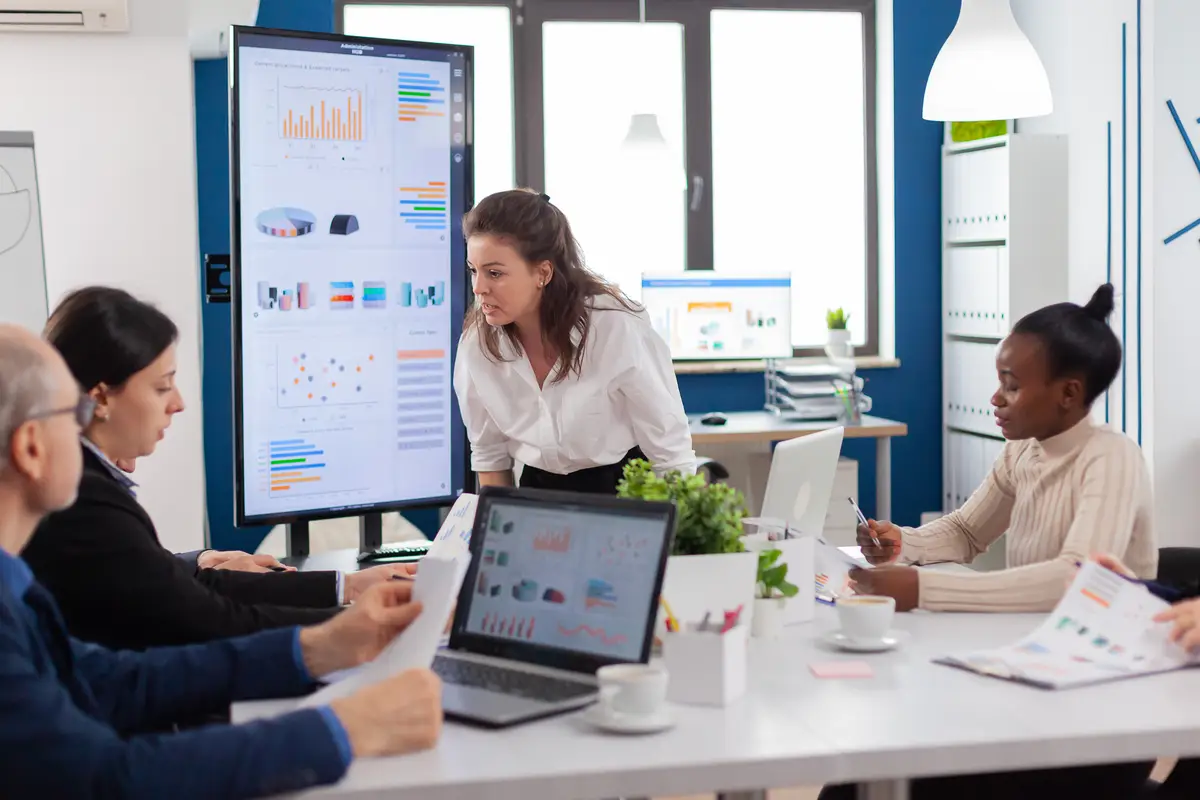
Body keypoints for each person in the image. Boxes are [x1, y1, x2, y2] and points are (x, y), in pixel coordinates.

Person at [0, 323, 443, 798]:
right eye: (76, 412)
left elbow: (112, 681)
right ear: (31, 447)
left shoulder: (15, 580)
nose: (88, 429)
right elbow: (105, 779)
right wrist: (349, 728)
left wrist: (321, 646)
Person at [23, 287, 409, 651]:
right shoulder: (83, 500)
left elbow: (181, 587)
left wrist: (348, 588)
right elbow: (207, 618)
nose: (179, 403)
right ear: (102, 398)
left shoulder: (90, 483)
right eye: (162, 387)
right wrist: (357, 624)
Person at [849, 284, 1155, 612]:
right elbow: (966, 531)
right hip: (1037, 638)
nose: (996, 398)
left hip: (1108, 649)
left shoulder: (1111, 458)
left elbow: (1078, 579)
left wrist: (924, 589)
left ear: (1069, 393)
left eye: (1012, 386)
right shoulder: (1023, 449)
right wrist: (902, 543)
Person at [453, 188, 695, 495]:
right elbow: (489, 454)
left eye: (495, 273)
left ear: (542, 272)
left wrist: (680, 534)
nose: (478, 288)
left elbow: (671, 454)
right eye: (474, 271)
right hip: (537, 492)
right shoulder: (478, 344)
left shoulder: (614, 327)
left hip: (625, 491)